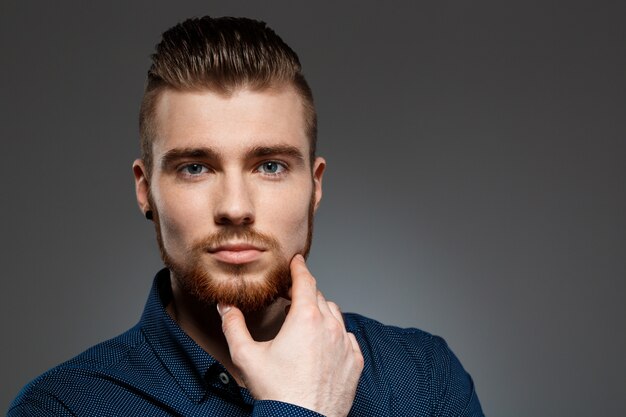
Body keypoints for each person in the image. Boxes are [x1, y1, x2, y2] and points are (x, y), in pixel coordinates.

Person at [8, 16, 484, 417]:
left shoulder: (424, 379)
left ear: (315, 185)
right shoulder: (64, 407)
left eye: (270, 166)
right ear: (145, 189)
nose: (235, 207)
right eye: (195, 168)